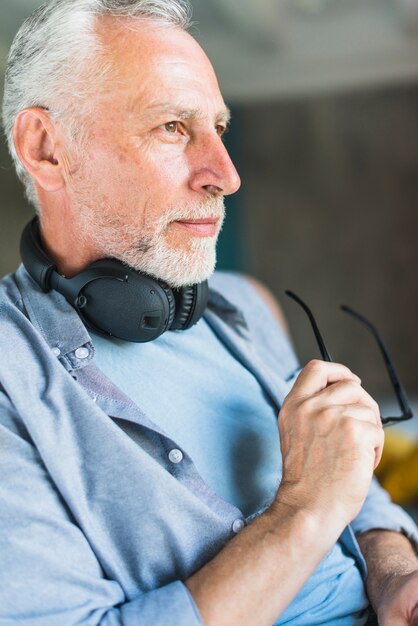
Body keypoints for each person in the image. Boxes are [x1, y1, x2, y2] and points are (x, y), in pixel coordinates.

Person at [1, 1, 418, 624]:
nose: (225, 174)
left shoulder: (241, 306)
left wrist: (396, 575)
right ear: (47, 148)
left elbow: (351, 492)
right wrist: (300, 511)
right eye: (172, 126)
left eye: (218, 129)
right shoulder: (13, 377)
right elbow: (318, 498)